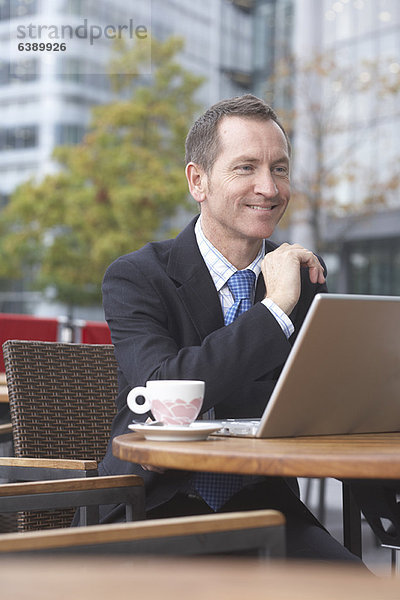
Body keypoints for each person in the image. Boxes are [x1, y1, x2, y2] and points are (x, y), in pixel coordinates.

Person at [94, 94, 361, 562]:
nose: (269, 187)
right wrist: (275, 309)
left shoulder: (305, 281)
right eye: (246, 168)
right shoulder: (137, 276)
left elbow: (316, 409)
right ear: (198, 180)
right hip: (154, 505)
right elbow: (165, 387)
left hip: (263, 507)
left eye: (280, 169)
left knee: (355, 585)